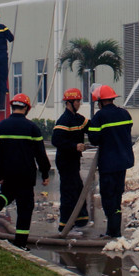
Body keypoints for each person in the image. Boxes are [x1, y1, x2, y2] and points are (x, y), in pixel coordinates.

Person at [0, 93, 51, 248]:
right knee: (25, 208)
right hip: (26, 174)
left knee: (7, 195)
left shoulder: (0, 127)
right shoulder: (32, 128)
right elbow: (40, 154)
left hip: (8, 173)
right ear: (26, 108)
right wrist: (45, 173)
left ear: (12, 107)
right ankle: (20, 244)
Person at [87, 85, 134, 239]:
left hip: (108, 164)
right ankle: (115, 230)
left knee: (108, 198)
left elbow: (94, 139)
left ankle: (113, 232)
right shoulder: (125, 114)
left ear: (100, 101)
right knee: (117, 197)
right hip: (123, 162)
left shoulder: (100, 117)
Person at [51, 88, 89, 231]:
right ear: (69, 103)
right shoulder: (64, 120)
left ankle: (80, 219)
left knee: (78, 188)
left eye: (79, 101)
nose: (79, 103)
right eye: (77, 101)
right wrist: (75, 146)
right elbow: (56, 140)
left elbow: (90, 127)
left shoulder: (78, 118)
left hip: (73, 160)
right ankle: (65, 223)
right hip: (65, 161)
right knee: (68, 190)